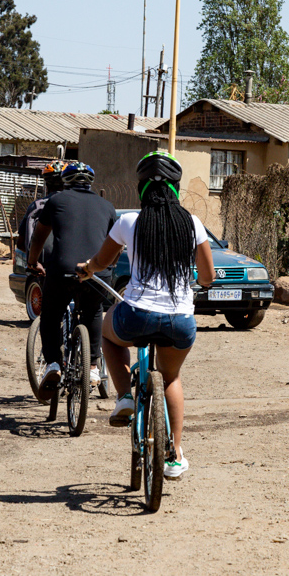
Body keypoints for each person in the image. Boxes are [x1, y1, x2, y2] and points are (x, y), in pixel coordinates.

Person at [77, 152, 215, 480]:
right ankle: (175, 454)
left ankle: (125, 396)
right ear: (175, 188)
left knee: (108, 333)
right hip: (180, 321)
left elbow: (102, 262)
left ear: (141, 188)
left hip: (136, 314)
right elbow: (207, 277)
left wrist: (87, 269)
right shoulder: (193, 224)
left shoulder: (129, 222)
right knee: (171, 378)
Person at [28, 162, 115, 398]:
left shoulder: (55, 201)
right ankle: (94, 368)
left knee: (51, 313)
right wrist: (106, 267)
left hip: (62, 270)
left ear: (65, 181)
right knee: (94, 311)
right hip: (96, 272)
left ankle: (54, 364)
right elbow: (114, 246)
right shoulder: (107, 206)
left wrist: (33, 261)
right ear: (90, 183)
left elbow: (39, 236)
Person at [20, 160, 68, 261]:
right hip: (68, 265)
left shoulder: (35, 206)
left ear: (46, 184)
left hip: (40, 266)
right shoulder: (72, 205)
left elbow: (21, 244)